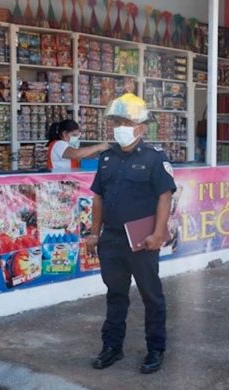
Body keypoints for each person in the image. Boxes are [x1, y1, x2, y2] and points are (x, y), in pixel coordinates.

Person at [85, 93, 177, 374]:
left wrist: (158, 233)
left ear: (140, 127)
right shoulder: (106, 158)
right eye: (116, 121)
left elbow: (165, 196)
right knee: (115, 294)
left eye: (125, 121)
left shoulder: (154, 158)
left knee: (151, 296)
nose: (119, 126)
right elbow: (98, 198)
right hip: (111, 239)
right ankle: (112, 347)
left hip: (142, 239)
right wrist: (93, 234)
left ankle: (155, 349)